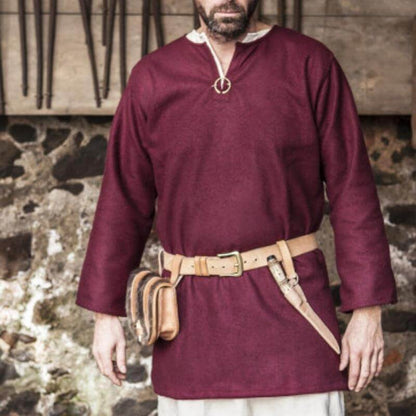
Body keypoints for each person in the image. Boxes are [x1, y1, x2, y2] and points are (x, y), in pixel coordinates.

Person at [75, 1, 398, 415]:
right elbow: (122, 200)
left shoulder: (310, 64)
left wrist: (367, 313)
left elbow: (353, 189)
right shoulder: (153, 76)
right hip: (191, 329)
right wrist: (105, 315)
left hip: (295, 318)